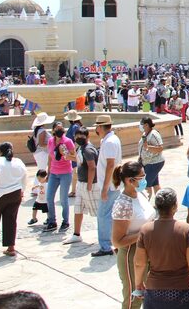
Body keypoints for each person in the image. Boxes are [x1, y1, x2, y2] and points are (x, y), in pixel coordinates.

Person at [133, 188, 189, 309]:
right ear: (175, 206)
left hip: (155, 288)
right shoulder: (185, 229)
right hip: (183, 289)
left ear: (156, 206)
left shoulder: (146, 230)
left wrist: (138, 283)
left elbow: (139, 263)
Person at [111, 161, 155, 309]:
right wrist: (145, 232)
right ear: (130, 181)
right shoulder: (123, 204)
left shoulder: (140, 194)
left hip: (148, 251)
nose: (145, 179)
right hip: (132, 254)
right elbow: (117, 241)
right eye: (141, 177)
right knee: (134, 299)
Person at [92, 114, 122, 258]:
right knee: (110, 214)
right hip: (112, 184)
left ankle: (105, 245)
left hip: (109, 185)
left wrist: (104, 188)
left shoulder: (109, 142)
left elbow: (110, 165)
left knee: (103, 215)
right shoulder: (110, 139)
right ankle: (112, 241)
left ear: (100, 127)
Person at [64, 126, 99, 245]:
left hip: (90, 184)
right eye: (77, 136)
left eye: (81, 136)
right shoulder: (81, 148)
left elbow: (92, 167)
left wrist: (89, 184)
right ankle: (76, 234)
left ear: (87, 136)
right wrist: (69, 157)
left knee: (98, 210)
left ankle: (106, 234)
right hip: (81, 183)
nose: (78, 138)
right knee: (78, 208)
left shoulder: (88, 149)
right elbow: (81, 160)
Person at [43, 121, 76, 233]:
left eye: (61, 128)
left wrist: (64, 153)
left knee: (63, 199)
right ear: (53, 130)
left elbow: (74, 157)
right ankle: (52, 221)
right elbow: (50, 157)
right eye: (57, 128)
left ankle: (65, 221)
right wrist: (48, 171)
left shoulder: (68, 141)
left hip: (65, 173)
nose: (59, 130)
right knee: (49, 198)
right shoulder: (51, 141)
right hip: (54, 173)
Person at [138, 117, 165, 199]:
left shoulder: (154, 134)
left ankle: (146, 204)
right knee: (155, 184)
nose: (140, 127)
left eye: (142, 125)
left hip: (154, 163)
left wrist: (148, 147)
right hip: (147, 162)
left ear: (146, 125)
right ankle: (161, 202)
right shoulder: (145, 134)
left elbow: (160, 148)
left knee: (146, 184)